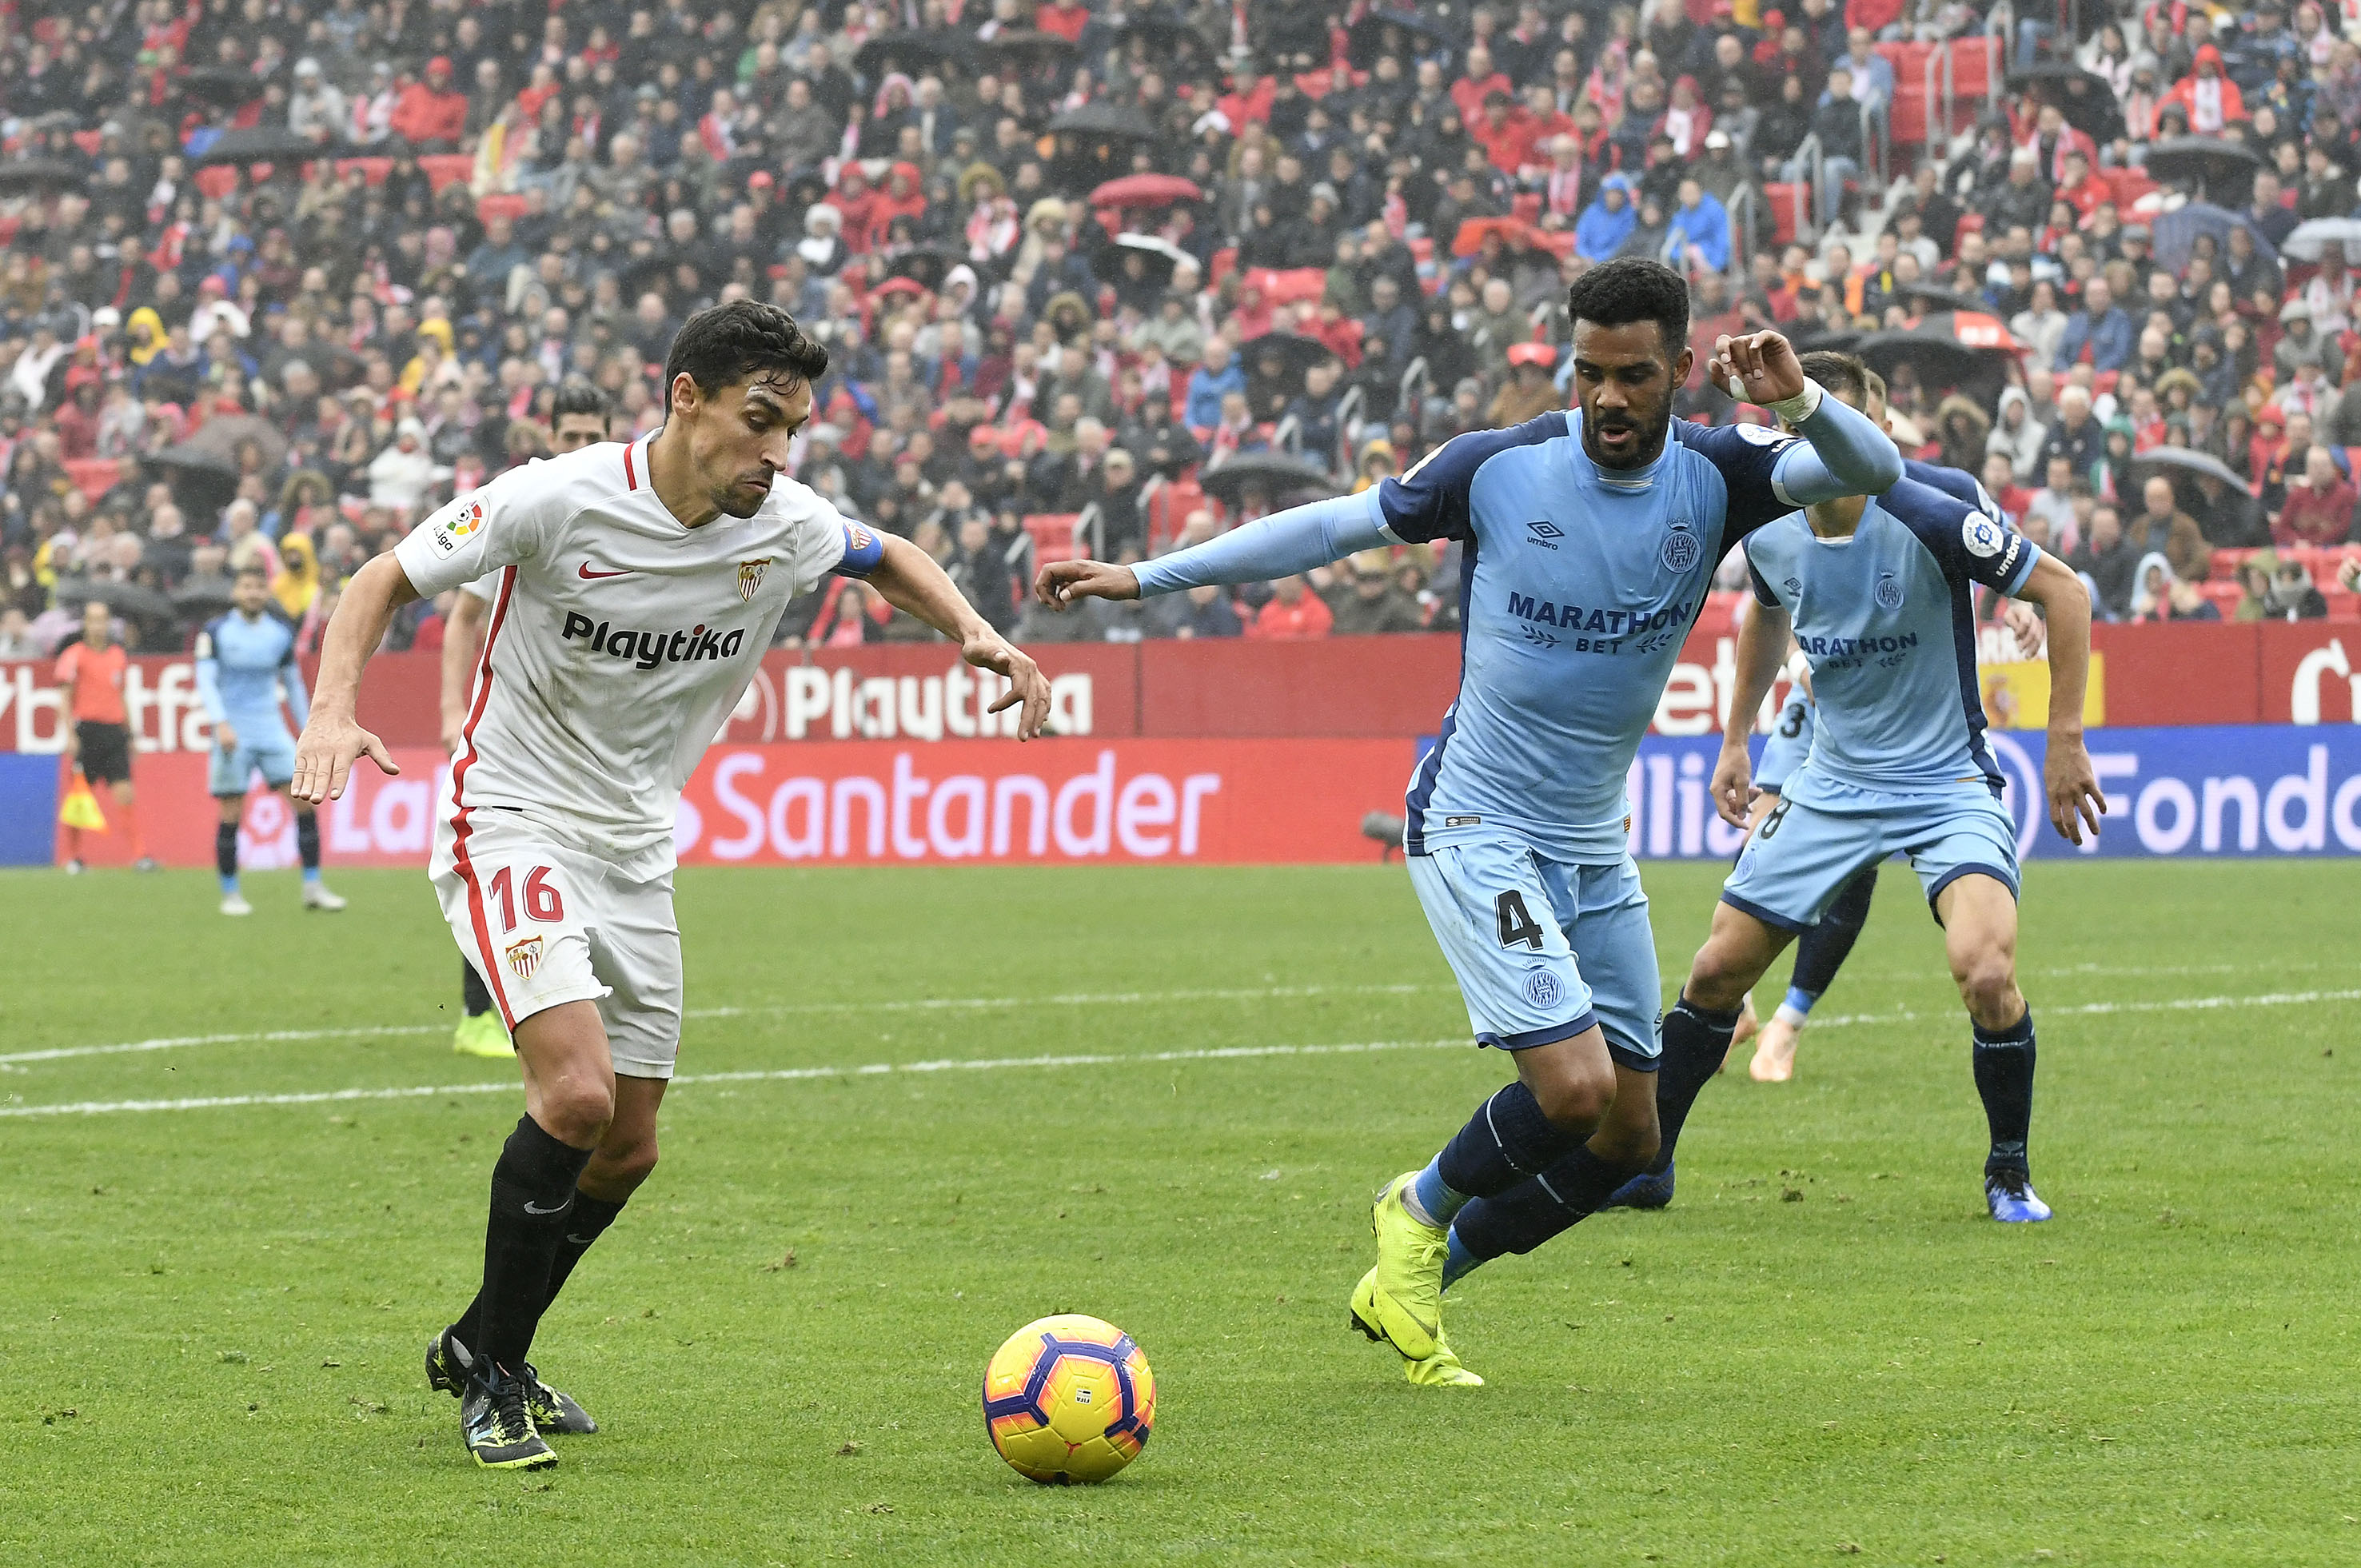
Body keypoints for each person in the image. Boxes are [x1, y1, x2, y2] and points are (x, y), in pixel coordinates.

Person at [1034, 258, 1901, 1385]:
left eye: (1635, 376)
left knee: (1632, 1146)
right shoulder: (1500, 469)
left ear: (1682, 370)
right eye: (1587, 373)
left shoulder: (1723, 473)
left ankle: (1424, 1276)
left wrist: (1796, 397)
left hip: (1591, 837)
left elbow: (1872, 470)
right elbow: (1332, 529)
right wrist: (1147, 577)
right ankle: (1415, 1207)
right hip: (1475, 819)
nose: (1607, 399)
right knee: (1574, 1092)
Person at [291, 301, 1051, 1470]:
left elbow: (883, 553)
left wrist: (975, 631)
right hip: (512, 813)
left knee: (629, 1147)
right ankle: (492, 1378)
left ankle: (480, 1340)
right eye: (759, 422)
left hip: (637, 845)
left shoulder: (783, 523)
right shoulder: (557, 497)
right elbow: (379, 580)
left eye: (794, 430)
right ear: (683, 398)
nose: (778, 455)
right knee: (578, 1097)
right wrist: (337, 706)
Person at [1641, 351, 2102, 1230]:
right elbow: (1767, 610)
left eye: (1827, 426)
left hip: (1945, 781)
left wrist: (2063, 738)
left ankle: (2008, 1170)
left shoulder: (1931, 516)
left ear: (1874, 437)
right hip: (1830, 783)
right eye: (1795, 427)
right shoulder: (1770, 528)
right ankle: (1650, 1157)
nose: (1809, 444)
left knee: (1987, 972)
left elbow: (2063, 589)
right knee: (1714, 971)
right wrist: (1736, 737)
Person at [438, 378, 615, 1059]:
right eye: (568, 436)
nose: (578, 447)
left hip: (591, 736)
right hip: (513, 728)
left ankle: (565, 1005)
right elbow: (464, 615)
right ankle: (478, 1014)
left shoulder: (636, 511)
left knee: (577, 874)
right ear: (550, 438)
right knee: (498, 864)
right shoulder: (527, 503)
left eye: (589, 435)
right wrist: (453, 705)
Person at [199, 565, 345, 916]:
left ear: (267, 593)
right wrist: (220, 723)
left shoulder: (279, 634)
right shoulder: (216, 632)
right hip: (233, 730)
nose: (252, 593)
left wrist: (310, 725)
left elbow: (293, 683)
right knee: (232, 811)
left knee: (304, 802)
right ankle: (231, 893)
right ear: (236, 592)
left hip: (271, 729)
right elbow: (205, 679)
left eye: (258, 587)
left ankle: (313, 886)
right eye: (246, 586)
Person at [53, 600, 151, 873]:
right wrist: (70, 735)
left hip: (114, 732)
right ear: (85, 624)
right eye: (93, 619)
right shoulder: (74, 655)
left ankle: (139, 855)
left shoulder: (117, 655)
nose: (98, 625)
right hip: (87, 731)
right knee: (79, 798)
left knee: (125, 794)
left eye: (103, 619)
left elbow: (121, 696)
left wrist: (130, 734)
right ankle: (73, 857)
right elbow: (64, 697)